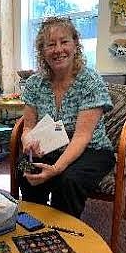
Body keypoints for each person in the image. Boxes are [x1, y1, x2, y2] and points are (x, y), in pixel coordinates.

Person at [19, 16, 115, 218]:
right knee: (25, 167)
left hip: (92, 150)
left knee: (67, 180)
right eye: (50, 44)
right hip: (50, 146)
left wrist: (55, 168)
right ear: (42, 51)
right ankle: (34, 223)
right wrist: (28, 141)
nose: (58, 49)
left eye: (64, 42)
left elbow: (82, 136)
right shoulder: (34, 83)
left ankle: (63, 233)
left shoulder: (90, 80)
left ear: (75, 45)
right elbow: (28, 127)